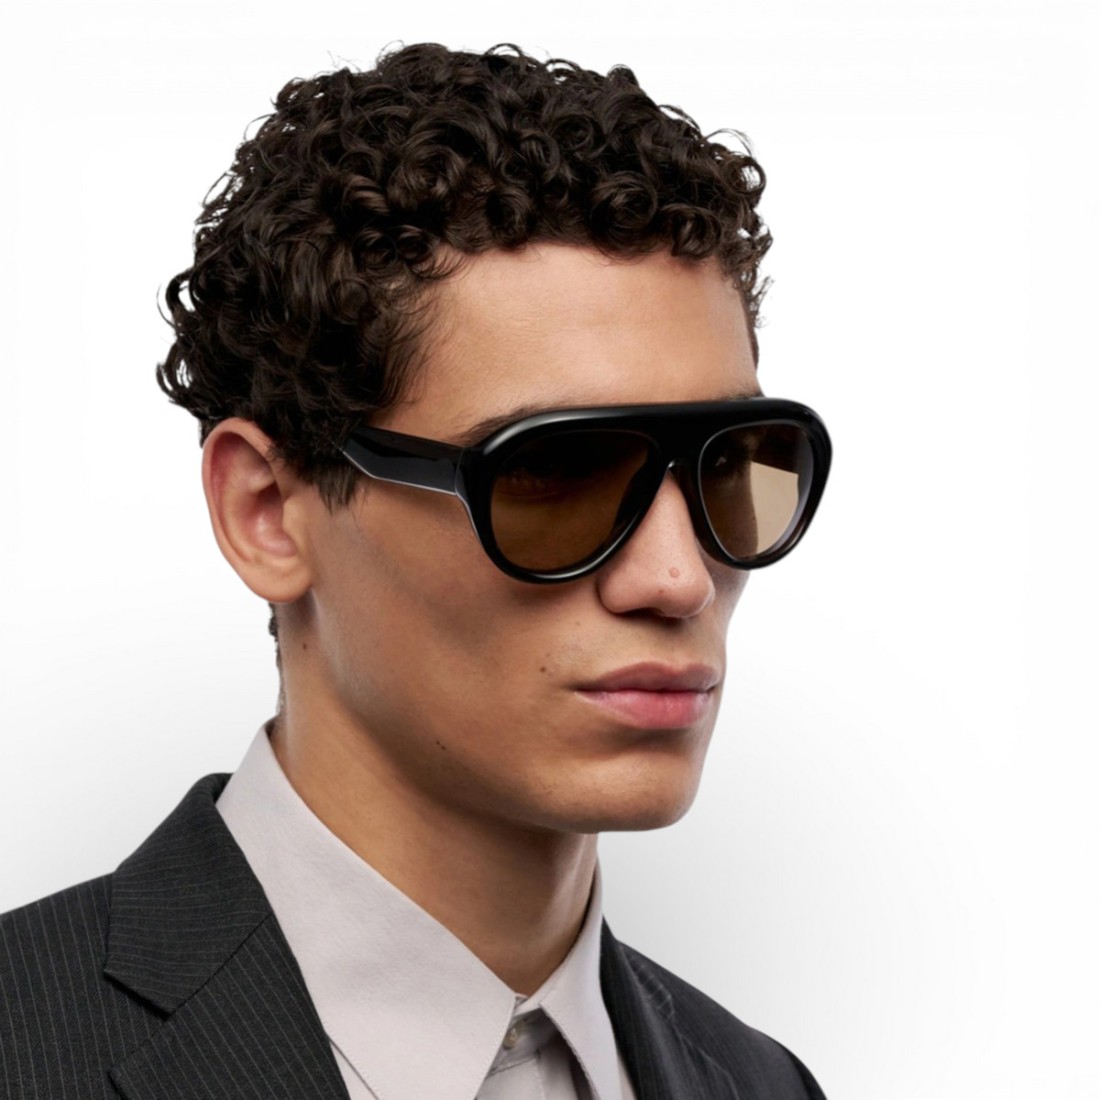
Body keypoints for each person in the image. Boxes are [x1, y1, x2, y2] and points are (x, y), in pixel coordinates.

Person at [0, 43, 831, 1099]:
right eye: (551, 472)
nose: (677, 578)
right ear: (267, 513)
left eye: (729, 466)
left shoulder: (762, 1083)